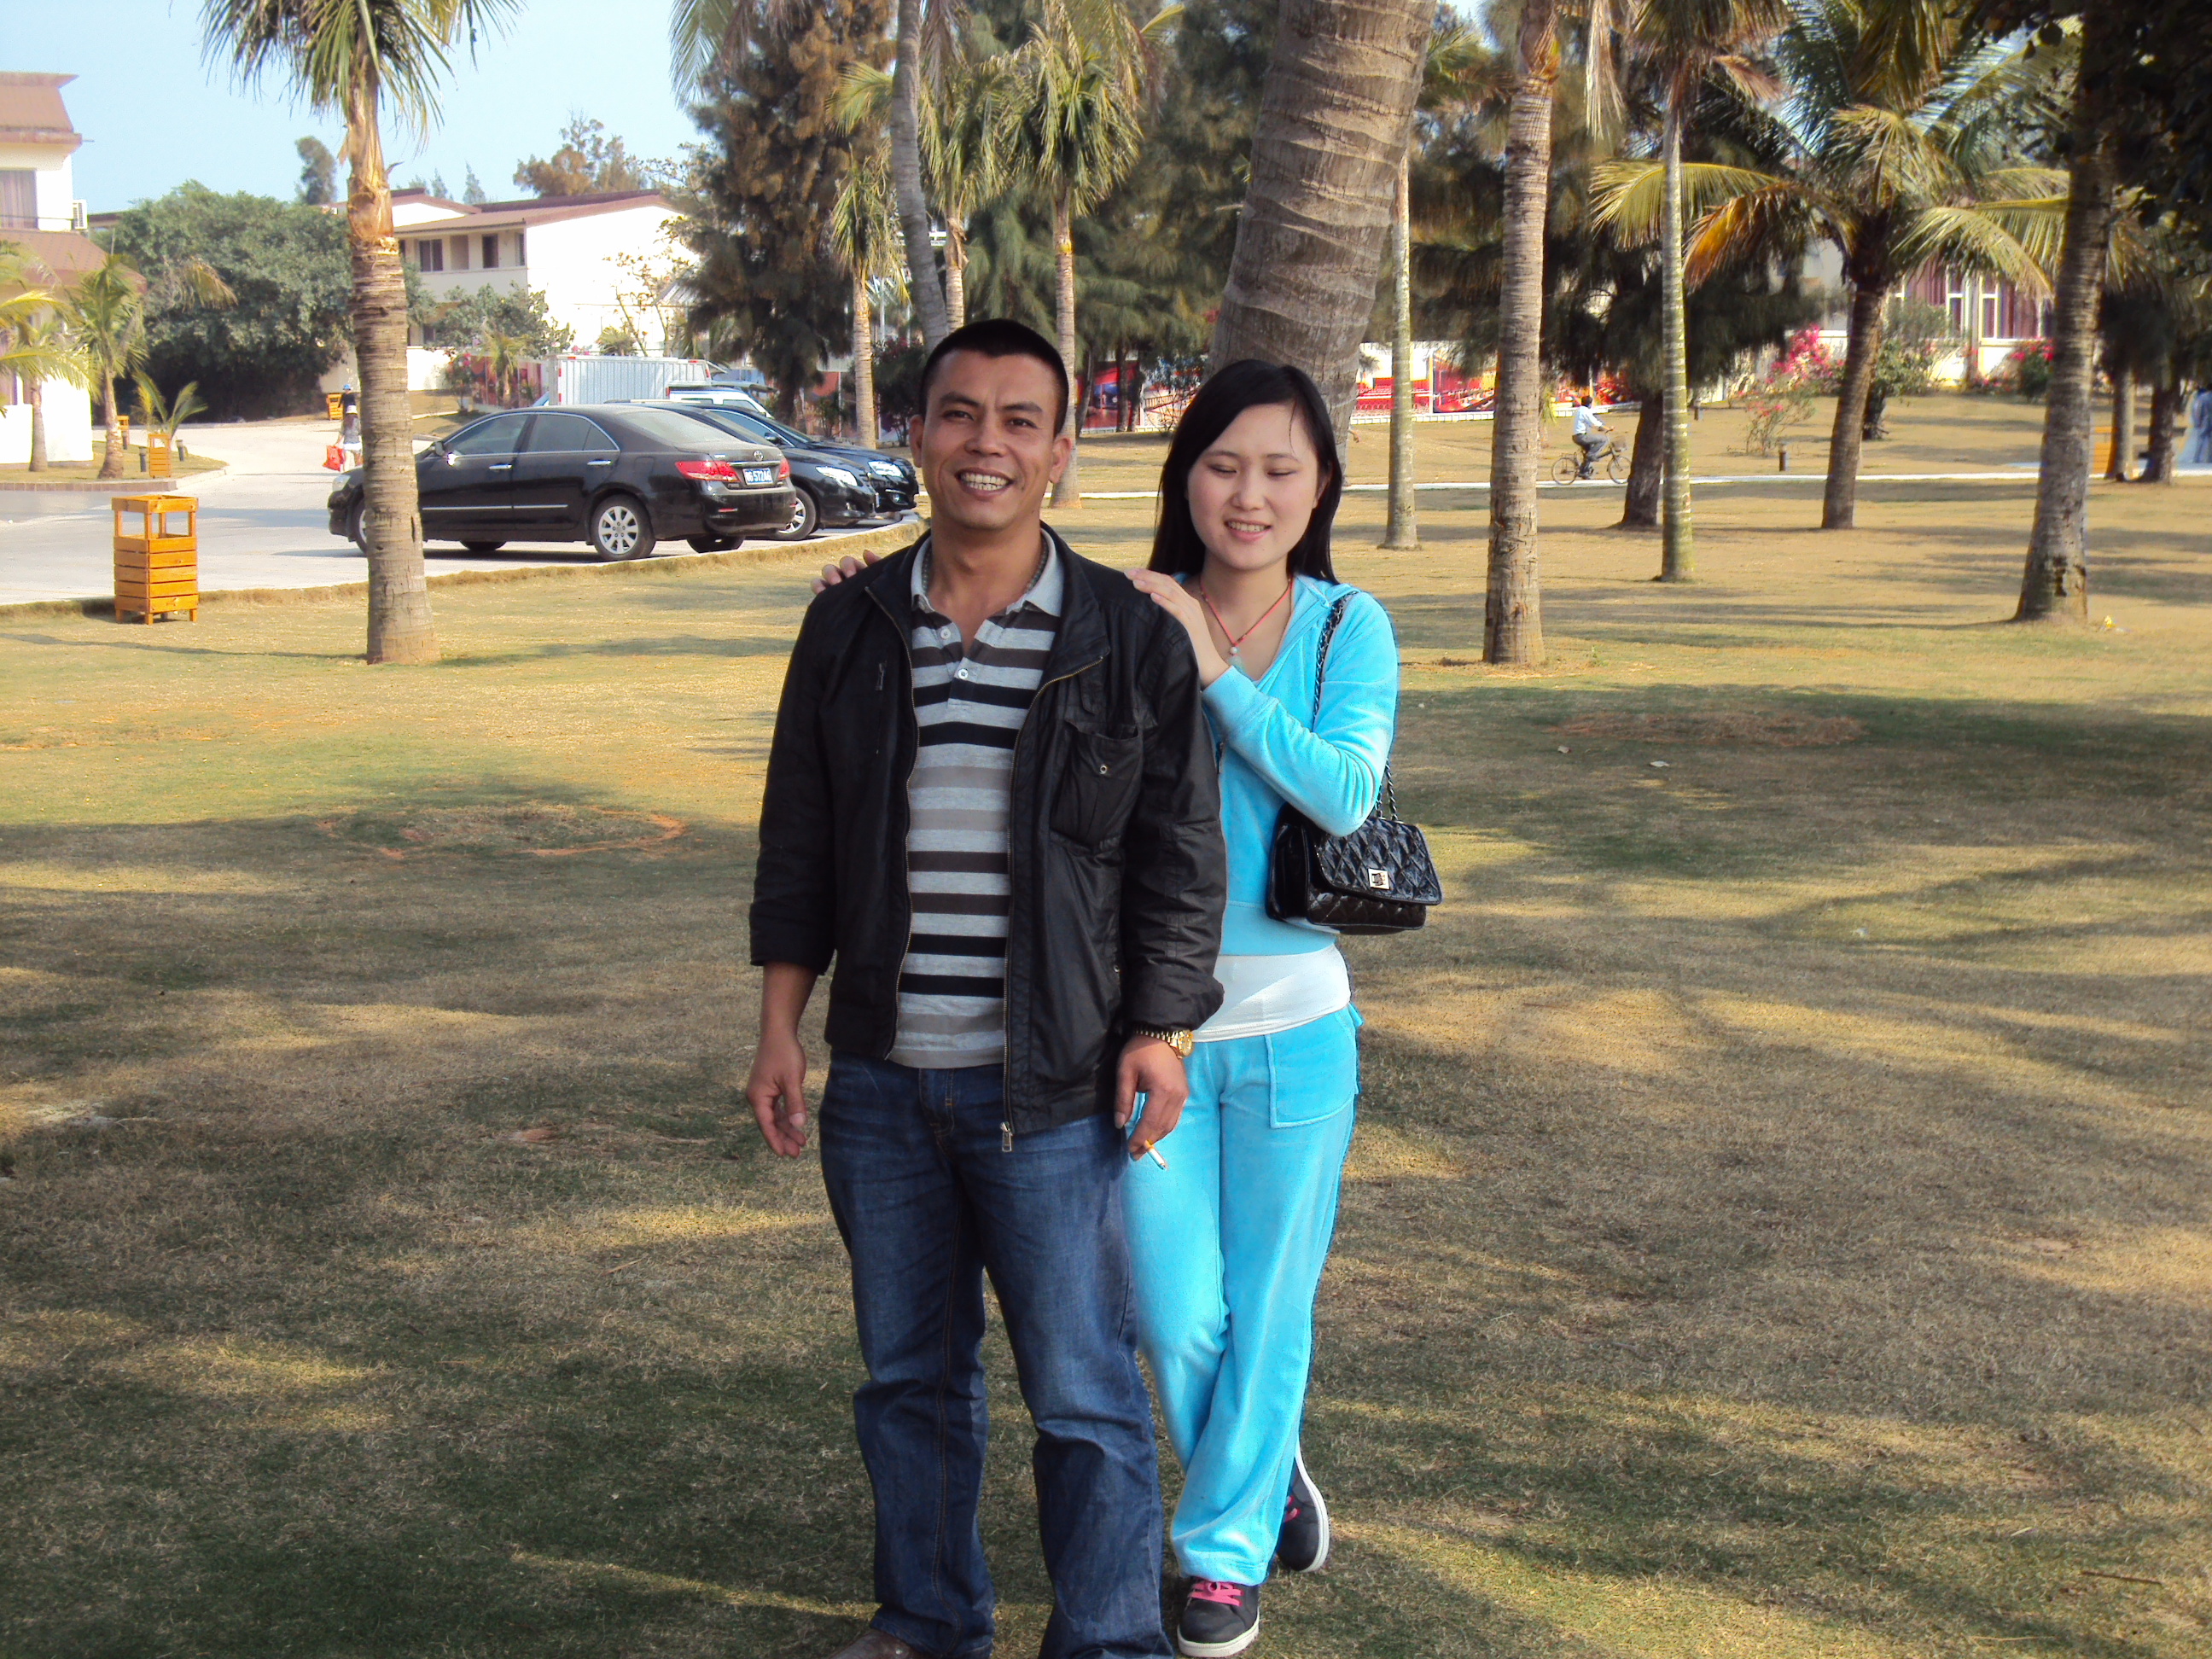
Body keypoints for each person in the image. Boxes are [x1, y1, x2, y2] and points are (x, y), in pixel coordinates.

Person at [748, 317, 1227, 1659]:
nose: (988, 444)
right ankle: (930, 1621)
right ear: (917, 435)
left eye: (1022, 421)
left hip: (1055, 1093)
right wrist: (781, 1029)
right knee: (909, 1380)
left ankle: (1110, 1639)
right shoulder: (847, 627)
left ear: (1062, 452)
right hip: (883, 1085)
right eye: (961, 414)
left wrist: (1162, 1030)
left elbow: (1181, 860)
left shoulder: (1127, 637)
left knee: (1082, 1392)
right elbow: (798, 847)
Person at [1121, 362, 1398, 1659]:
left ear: (1320, 487)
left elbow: (1342, 792)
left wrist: (1218, 675)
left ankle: (1223, 1559)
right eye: (1224, 464)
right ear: (1187, 477)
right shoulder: (1132, 614)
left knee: (1271, 1302)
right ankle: (1264, 1463)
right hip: (1151, 1034)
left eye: (1281, 469)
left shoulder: (1348, 628)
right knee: (1175, 1312)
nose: (1250, 493)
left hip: (1297, 1028)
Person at [1571, 393, 1610, 478]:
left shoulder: (1578, 410)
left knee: (1588, 453)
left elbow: (1590, 423)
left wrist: (1600, 428)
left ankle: (1583, 472)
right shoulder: (1585, 411)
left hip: (1576, 436)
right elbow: (1594, 422)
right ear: (1589, 404)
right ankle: (1591, 455)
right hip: (1581, 436)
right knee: (1603, 440)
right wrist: (1606, 428)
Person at [2186, 383, 2212, 466]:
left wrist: (2197, 421)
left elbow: (2197, 409)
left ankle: (2197, 458)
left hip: (2205, 420)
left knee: (2200, 440)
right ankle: (2209, 459)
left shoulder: (2202, 397)